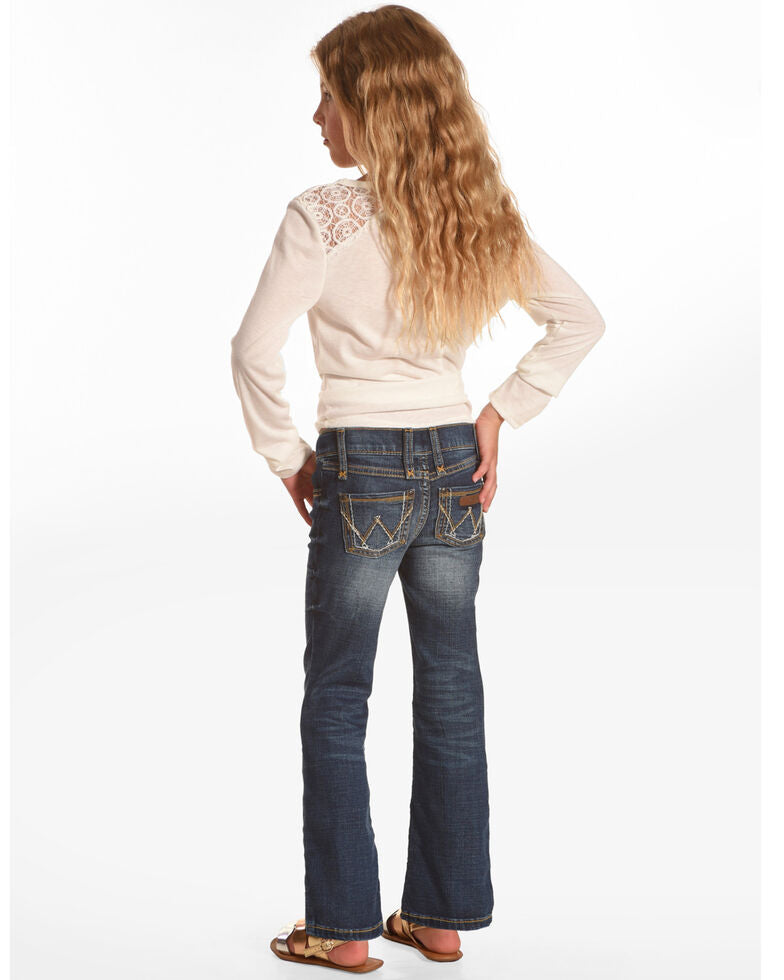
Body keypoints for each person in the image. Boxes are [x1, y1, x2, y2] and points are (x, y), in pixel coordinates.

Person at [230, 5, 605, 972]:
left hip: (359, 466)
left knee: (337, 692)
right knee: (450, 688)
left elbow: (252, 349)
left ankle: (344, 928)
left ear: (373, 106)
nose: (317, 118)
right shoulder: (472, 213)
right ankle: (439, 917)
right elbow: (579, 319)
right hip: (450, 467)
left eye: (329, 98)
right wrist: (498, 415)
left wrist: (288, 457)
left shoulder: (322, 217)